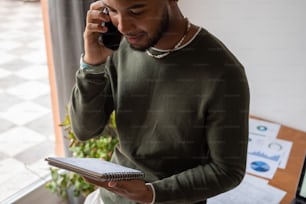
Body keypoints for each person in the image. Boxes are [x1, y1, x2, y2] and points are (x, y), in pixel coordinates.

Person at [68, 0, 250, 203]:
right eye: (112, 11)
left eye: (136, 11)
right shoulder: (118, 45)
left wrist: (152, 193)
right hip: (110, 198)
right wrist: (92, 65)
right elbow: (84, 130)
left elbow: (228, 170)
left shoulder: (224, 72)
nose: (122, 26)